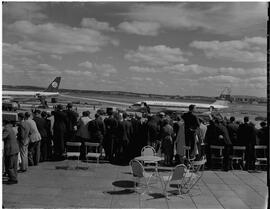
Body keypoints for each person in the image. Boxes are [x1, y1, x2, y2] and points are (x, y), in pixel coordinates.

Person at [3, 120, 20, 184]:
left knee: (9, 165)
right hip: (15, 149)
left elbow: (2, 137)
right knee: (14, 165)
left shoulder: (6, 129)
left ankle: (13, 179)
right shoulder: (11, 128)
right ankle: (14, 177)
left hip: (10, 150)